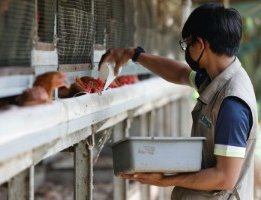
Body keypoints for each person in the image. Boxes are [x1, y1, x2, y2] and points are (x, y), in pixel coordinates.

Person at [99, 3, 258, 200]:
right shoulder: (215, 79)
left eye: (188, 43)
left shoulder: (232, 103)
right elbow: (180, 73)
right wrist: (136, 55)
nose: (187, 50)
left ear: (200, 43)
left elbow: (224, 177)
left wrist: (165, 180)